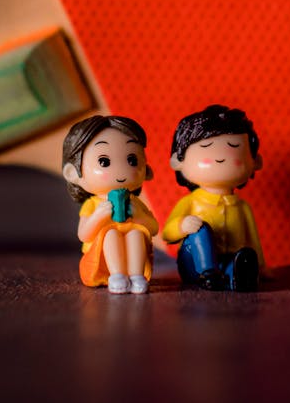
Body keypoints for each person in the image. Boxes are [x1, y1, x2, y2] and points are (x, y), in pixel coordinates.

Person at [162, 105, 264, 291]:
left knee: (243, 258)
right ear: (178, 161)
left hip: (228, 259)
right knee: (200, 229)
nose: (220, 158)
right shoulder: (191, 202)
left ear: (255, 162)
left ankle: (238, 275)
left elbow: (253, 239)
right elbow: (167, 234)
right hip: (193, 263)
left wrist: (262, 267)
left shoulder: (242, 207)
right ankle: (208, 272)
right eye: (206, 147)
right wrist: (182, 225)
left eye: (233, 147)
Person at [61, 115, 158, 294]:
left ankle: (136, 276)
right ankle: (117, 275)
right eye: (104, 162)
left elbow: (153, 228)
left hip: (133, 256)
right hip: (99, 262)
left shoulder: (135, 203)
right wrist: (98, 216)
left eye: (132, 160)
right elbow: (83, 234)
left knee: (136, 233)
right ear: (73, 173)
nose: (121, 171)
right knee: (110, 233)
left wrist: (140, 217)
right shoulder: (92, 204)